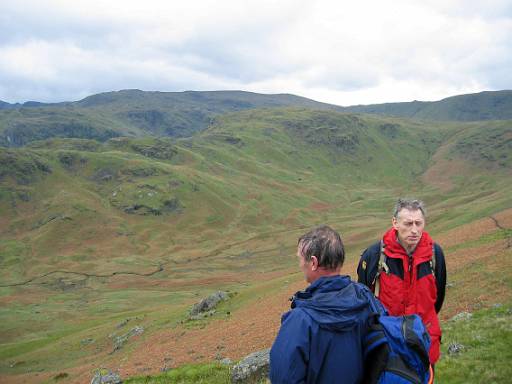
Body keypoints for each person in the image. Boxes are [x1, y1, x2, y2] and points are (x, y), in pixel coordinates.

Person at [270, 225, 381, 384]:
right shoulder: (365, 297)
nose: (300, 264)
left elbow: (283, 378)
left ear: (313, 262)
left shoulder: (300, 320)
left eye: (300, 258)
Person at [357, 198, 447, 366]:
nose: (414, 230)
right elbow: (364, 300)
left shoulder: (435, 255)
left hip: (424, 345)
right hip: (388, 349)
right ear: (395, 223)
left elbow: (438, 298)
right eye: (408, 223)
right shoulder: (374, 255)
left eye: (418, 223)